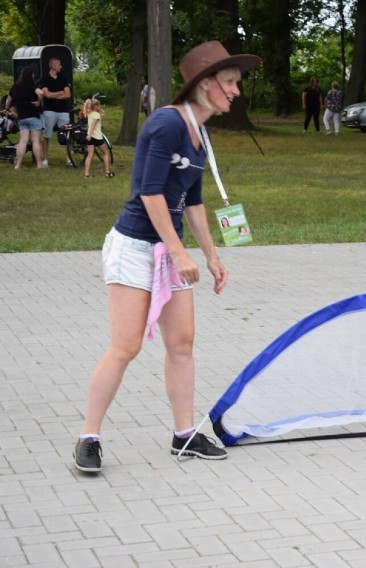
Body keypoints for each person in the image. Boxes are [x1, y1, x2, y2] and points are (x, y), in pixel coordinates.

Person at [71, 40, 261, 474]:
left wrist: (211, 254)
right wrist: (179, 253)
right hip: (135, 246)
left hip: (166, 249)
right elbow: (150, 192)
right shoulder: (165, 124)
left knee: (182, 343)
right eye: (230, 83)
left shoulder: (200, 133)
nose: (235, 91)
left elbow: (191, 200)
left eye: (236, 84)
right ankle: (88, 436)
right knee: (125, 345)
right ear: (206, 83)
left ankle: (183, 435)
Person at [36, 57, 71, 168]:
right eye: (59, 64)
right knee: (47, 135)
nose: (61, 66)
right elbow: (46, 94)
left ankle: (69, 158)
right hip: (49, 110)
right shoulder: (45, 79)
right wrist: (60, 93)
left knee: (67, 133)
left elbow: (68, 94)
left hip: (63, 111)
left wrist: (53, 95)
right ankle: (45, 159)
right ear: (53, 66)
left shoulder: (63, 78)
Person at [8, 67, 46, 170]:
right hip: (33, 115)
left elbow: (9, 99)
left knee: (23, 141)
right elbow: (41, 93)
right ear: (31, 75)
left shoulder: (15, 86)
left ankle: (18, 165)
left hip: (22, 117)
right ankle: (39, 165)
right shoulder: (32, 86)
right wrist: (39, 101)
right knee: (35, 141)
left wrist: (7, 109)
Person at [83, 98, 113, 178]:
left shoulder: (89, 113)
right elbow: (93, 125)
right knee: (105, 153)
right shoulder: (96, 115)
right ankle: (107, 172)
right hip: (97, 137)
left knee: (90, 155)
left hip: (90, 138)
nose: (99, 106)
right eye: (98, 105)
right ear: (95, 106)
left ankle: (86, 174)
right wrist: (89, 134)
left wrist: (88, 135)